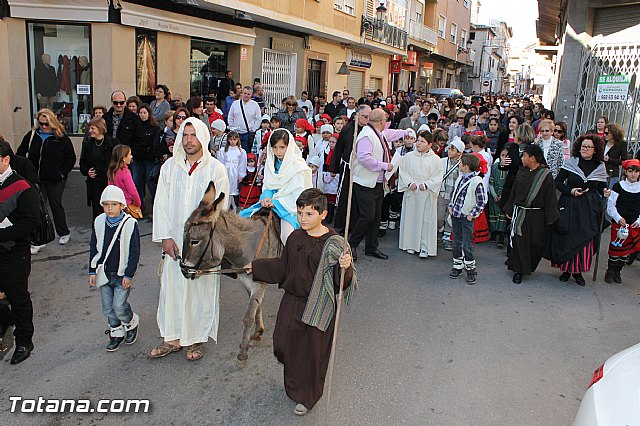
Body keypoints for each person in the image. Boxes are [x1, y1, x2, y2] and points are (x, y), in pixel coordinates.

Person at [244, 188, 354, 416]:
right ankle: (294, 384)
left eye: (309, 214)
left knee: (312, 354)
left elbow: (340, 283)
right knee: (283, 345)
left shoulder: (334, 244)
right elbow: (284, 267)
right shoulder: (294, 237)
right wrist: (256, 267)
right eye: (300, 213)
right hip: (292, 301)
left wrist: (346, 267)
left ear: (323, 214)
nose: (302, 219)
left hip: (319, 305)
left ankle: (307, 396)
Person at [149, 117, 230, 361]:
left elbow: (220, 207)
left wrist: (209, 246)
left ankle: (196, 339)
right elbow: (160, 204)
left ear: (203, 137)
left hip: (202, 246)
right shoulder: (170, 167)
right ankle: (172, 338)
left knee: (200, 290)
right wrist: (165, 237)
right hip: (175, 241)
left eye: (193, 135)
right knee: (172, 289)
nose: (188, 140)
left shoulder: (216, 169)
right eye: (185, 135)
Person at [547, 135, 610, 286]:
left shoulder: (600, 167)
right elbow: (558, 182)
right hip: (570, 204)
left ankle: (578, 271)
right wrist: (571, 191)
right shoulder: (571, 163)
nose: (585, 149)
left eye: (588, 147)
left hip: (589, 207)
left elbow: (602, 187)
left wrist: (606, 191)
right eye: (583, 146)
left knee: (585, 237)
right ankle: (566, 270)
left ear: (595, 150)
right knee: (569, 236)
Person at [349, 108, 409, 260]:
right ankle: (351, 245)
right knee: (367, 216)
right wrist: (385, 165)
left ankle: (371, 247)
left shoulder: (377, 132)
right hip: (364, 183)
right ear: (382, 121)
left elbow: (388, 135)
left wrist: (404, 132)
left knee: (375, 217)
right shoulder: (366, 136)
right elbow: (364, 158)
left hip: (376, 183)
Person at [0, 139, 39, 364]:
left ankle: (24, 341)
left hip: (14, 252)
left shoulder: (22, 187)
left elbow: (30, 223)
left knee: (18, 297)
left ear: (6, 160)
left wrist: (3, 236)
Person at [88, 185, 141, 351]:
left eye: (114, 204)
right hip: (104, 273)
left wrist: (129, 275)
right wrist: (92, 269)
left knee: (119, 305)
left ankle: (130, 322)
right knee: (107, 307)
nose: (110, 208)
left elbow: (134, 252)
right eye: (106, 204)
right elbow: (93, 247)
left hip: (121, 274)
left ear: (122, 205)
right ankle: (116, 332)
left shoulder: (130, 224)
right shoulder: (98, 222)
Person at [240, 129, 312, 244]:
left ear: (289, 146)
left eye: (282, 147)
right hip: (271, 201)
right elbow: (268, 185)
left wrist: (276, 203)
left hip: (289, 208)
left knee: (286, 236)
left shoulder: (298, 166)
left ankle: (291, 260)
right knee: (242, 220)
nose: (278, 151)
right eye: (274, 147)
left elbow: (298, 195)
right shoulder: (271, 163)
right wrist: (266, 197)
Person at [17, 108, 76, 247]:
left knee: (56, 205)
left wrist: (62, 173)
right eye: (41, 123)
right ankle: (39, 237)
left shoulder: (61, 138)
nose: (43, 127)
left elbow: (71, 158)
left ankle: (63, 232)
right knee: (37, 207)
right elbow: (21, 152)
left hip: (55, 178)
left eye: (46, 124)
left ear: (52, 123)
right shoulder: (32, 135)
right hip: (35, 177)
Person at [502, 145, 560, 284]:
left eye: (525, 156)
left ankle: (528, 267)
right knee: (519, 242)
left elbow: (550, 198)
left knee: (535, 244)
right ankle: (518, 270)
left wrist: (551, 217)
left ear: (532, 158)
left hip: (537, 217)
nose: (522, 159)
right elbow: (514, 192)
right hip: (520, 213)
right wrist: (509, 209)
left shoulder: (546, 176)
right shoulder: (521, 172)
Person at [392, 130, 444, 257]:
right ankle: (410, 244)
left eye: (422, 141)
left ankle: (424, 247)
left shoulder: (436, 160)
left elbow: (438, 176)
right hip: (412, 193)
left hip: (426, 194)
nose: (418, 143)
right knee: (411, 218)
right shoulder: (408, 157)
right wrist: (409, 183)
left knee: (426, 220)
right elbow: (403, 172)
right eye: (418, 140)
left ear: (430, 145)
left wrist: (427, 184)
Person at [330, 105, 371, 233]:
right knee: (345, 197)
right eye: (365, 116)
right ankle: (344, 225)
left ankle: (358, 225)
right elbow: (339, 149)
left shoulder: (369, 130)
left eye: (369, 117)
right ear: (357, 115)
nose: (367, 119)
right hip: (348, 168)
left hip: (363, 170)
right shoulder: (348, 129)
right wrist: (334, 167)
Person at [448, 154, 487, 285]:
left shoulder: (477, 181)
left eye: (460, 163)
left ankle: (470, 269)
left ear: (466, 166)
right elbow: (454, 194)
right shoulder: (460, 178)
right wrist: (451, 206)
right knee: (456, 242)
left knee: (467, 243)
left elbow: (481, 201)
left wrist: (472, 214)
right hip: (456, 215)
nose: (459, 165)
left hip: (466, 217)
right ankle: (457, 266)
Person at [605, 159, 640, 283]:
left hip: (634, 225)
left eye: (636, 172)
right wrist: (618, 218)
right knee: (615, 249)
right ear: (625, 172)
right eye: (630, 171)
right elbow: (611, 205)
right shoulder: (618, 186)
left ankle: (618, 272)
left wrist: (639, 221)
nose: (633, 174)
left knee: (626, 251)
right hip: (619, 223)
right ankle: (610, 271)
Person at [79, 117, 116, 218]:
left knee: (111, 208)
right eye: (89, 128)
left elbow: (119, 160)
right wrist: (87, 171)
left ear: (100, 128)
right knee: (97, 209)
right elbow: (82, 162)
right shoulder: (88, 145)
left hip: (109, 181)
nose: (90, 131)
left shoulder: (112, 143)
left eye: (92, 128)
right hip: (95, 182)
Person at [438, 136, 464, 251]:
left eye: (453, 149)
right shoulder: (442, 161)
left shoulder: (462, 164)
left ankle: (447, 237)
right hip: (442, 193)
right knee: (438, 216)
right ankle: (439, 231)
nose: (449, 151)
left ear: (459, 152)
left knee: (450, 218)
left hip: (454, 196)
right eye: (449, 149)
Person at [132, 104, 162, 206]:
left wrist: (152, 154)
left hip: (149, 158)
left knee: (151, 181)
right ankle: (139, 204)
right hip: (137, 158)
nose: (142, 115)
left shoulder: (155, 128)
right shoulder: (135, 126)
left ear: (149, 114)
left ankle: (155, 204)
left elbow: (155, 144)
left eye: (144, 113)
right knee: (137, 181)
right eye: (140, 113)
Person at [217, 131, 247, 210]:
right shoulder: (223, 150)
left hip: (234, 172)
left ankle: (231, 206)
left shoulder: (241, 151)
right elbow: (221, 162)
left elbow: (242, 164)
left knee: (232, 190)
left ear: (238, 140)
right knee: (226, 189)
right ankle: (228, 206)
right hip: (226, 171)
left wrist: (241, 175)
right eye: (231, 139)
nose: (233, 142)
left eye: (234, 139)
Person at [107, 144, 142, 211]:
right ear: (123, 158)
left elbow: (110, 188)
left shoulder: (112, 171)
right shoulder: (125, 172)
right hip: (126, 205)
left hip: (114, 204)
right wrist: (138, 203)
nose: (131, 157)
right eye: (129, 154)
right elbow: (132, 190)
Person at [228, 86, 262, 152]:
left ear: (251, 95)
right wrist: (232, 128)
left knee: (246, 153)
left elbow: (258, 119)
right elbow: (230, 117)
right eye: (245, 93)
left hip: (248, 134)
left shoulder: (255, 105)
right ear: (242, 93)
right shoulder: (235, 104)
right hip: (236, 133)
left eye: (248, 94)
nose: (246, 95)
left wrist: (253, 129)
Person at [488, 146, 510, 248]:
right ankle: (493, 233)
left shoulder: (510, 169)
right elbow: (491, 182)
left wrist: (503, 195)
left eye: (507, 156)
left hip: (505, 195)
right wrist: (494, 194)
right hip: (495, 193)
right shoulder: (495, 166)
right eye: (502, 155)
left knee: (502, 216)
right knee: (494, 213)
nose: (504, 158)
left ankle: (501, 238)